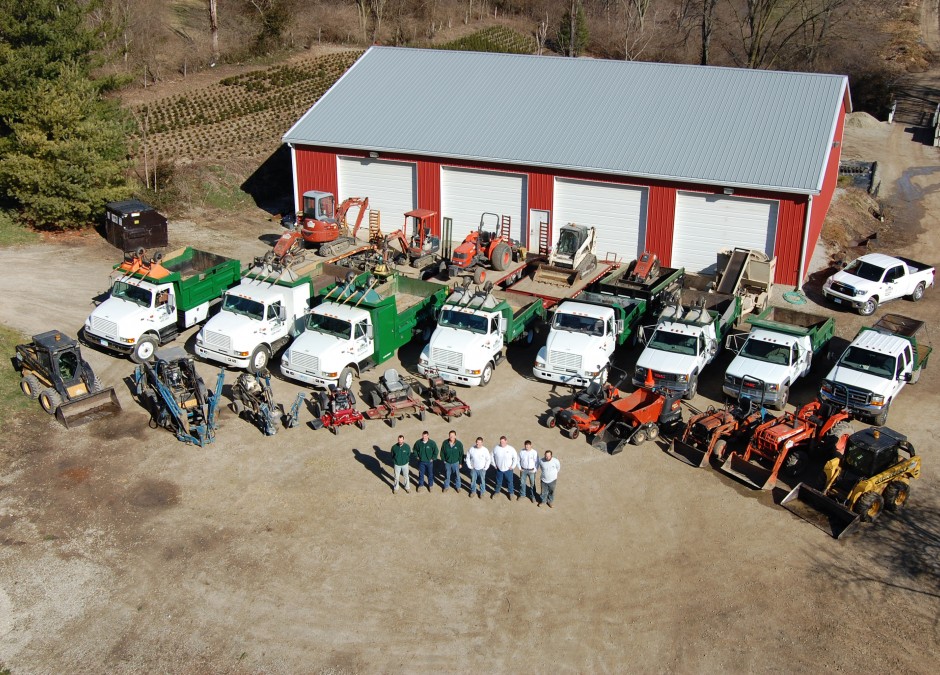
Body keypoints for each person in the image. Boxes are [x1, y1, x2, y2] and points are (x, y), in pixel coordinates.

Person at [491, 436, 519, 500]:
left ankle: (511, 493)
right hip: (499, 469)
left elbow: (515, 458)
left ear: (506, 441)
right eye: (501, 442)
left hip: (508, 470)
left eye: (503, 442)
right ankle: (497, 492)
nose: (502, 443)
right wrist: (494, 464)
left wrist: (513, 466)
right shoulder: (496, 448)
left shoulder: (511, 449)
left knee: (510, 481)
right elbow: (491, 456)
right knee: (498, 482)